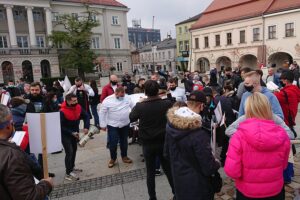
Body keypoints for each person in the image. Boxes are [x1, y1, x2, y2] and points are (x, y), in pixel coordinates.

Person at [224, 92, 290, 199]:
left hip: (247, 191)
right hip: (275, 190)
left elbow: (232, 171)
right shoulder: (282, 135)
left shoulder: (238, 137)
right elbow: (284, 165)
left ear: (248, 110)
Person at [164, 91, 221, 200]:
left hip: (179, 180)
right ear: (201, 106)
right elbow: (208, 167)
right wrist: (217, 163)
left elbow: (166, 153)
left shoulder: (171, 125)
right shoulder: (198, 134)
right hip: (198, 186)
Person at [130, 80, 175, 200]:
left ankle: (152, 197)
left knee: (150, 173)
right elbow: (173, 107)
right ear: (158, 91)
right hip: (163, 141)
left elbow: (131, 117)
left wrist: (139, 102)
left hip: (148, 143)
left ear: (145, 92)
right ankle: (176, 193)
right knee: (168, 169)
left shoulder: (141, 106)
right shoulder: (166, 103)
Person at [0, 104, 53, 199]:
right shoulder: (11, 156)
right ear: (8, 126)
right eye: (13, 122)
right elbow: (28, 196)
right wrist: (46, 184)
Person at [99, 87, 133, 168]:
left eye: (123, 95)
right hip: (113, 125)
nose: (122, 97)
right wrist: (102, 125)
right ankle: (113, 158)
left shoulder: (127, 97)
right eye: (121, 95)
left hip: (125, 124)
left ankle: (124, 156)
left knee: (124, 141)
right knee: (113, 143)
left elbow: (133, 106)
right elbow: (102, 112)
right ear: (116, 93)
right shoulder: (108, 100)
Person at [60, 94, 90, 181]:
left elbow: (86, 116)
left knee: (74, 150)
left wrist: (86, 126)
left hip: (75, 133)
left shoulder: (78, 106)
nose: (76, 102)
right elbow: (60, 126)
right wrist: (71, 132)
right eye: (74, 101)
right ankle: (68, 172)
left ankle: (72, 167)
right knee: (69, 152)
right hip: (66, 134)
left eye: (76, 100)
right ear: (68, 101)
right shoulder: (62, 111)